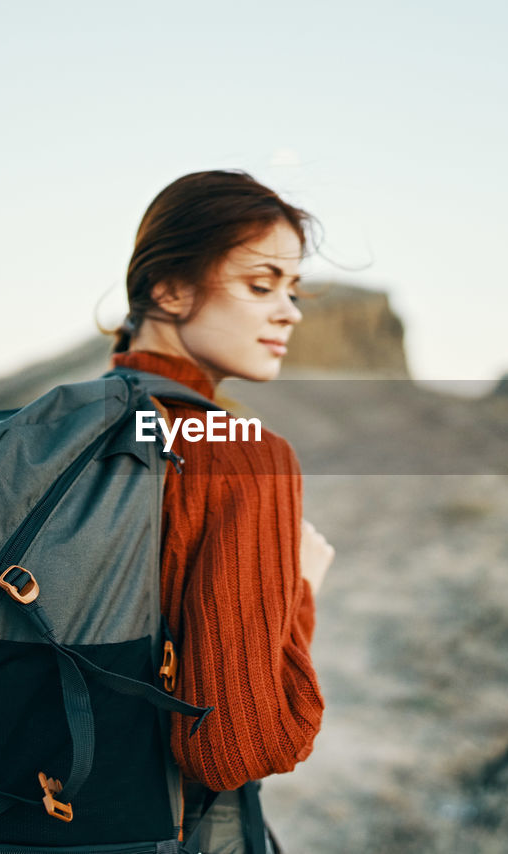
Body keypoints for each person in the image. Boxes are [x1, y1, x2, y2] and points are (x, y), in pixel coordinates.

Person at [107, 169, 336, 854]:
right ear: (170, 288)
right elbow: (235, 748)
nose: (289, 312)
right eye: (261, 285)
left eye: (292, 291)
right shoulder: (241, 454)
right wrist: (298, 591)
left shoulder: (48, 436)